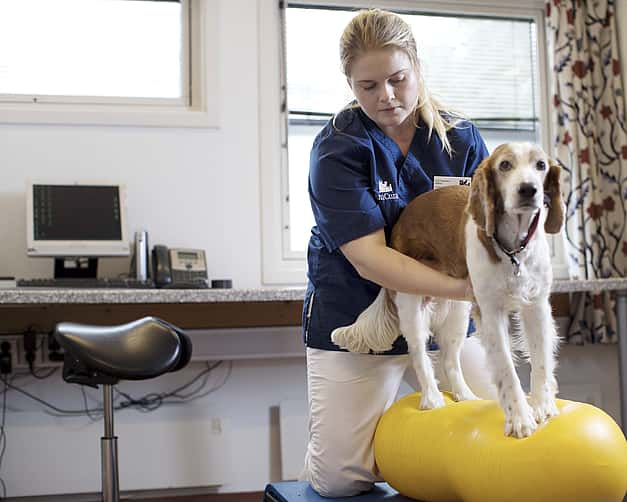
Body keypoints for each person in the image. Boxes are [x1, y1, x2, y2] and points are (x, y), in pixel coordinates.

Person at [300, 8, 496, 498]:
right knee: (341, 480)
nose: (385, 96)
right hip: (358, 310)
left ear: (417, 66)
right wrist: (462, 287)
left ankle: (421, 454)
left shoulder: (461, 138)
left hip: (448, 319)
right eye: (367, 86)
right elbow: (370, 259)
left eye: (397, 79)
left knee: (496, 435)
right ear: (349, 83)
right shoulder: (337, 149)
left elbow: (492, 229)